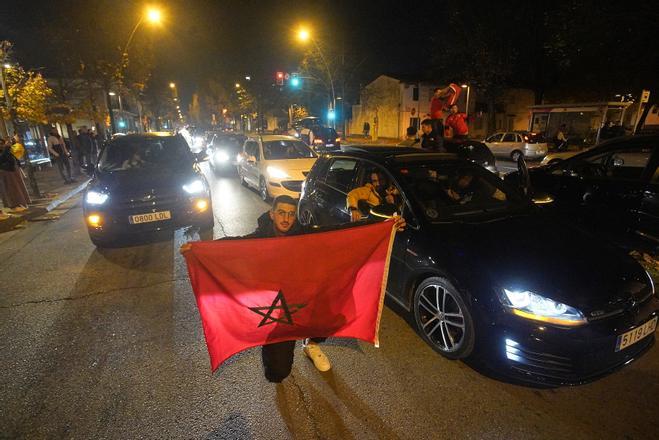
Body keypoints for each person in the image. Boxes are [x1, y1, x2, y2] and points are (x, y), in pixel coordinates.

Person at [0, 138, 31, 213]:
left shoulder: (6, 150)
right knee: (10, 189)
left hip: (13, 170)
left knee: (18, 187)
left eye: (2, 143)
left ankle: (21, 203)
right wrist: (6, 148)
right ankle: (14, 205)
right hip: (5, 172)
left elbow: (14, 157)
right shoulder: (4, 151)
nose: (1, 145)